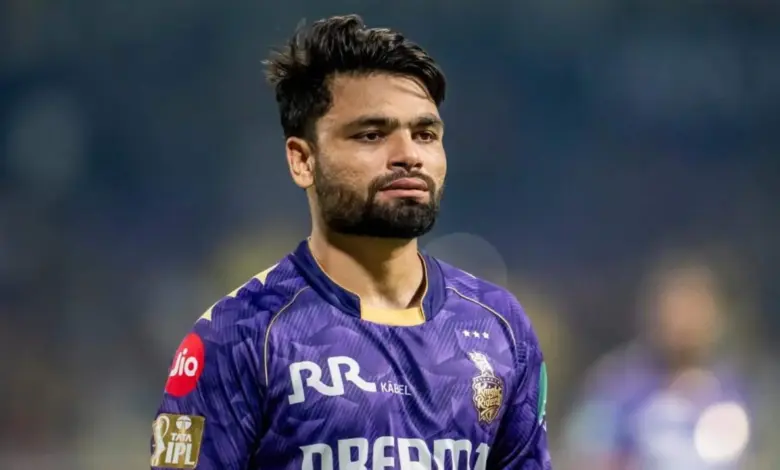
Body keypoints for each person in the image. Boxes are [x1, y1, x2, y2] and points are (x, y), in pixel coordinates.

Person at [151, 14, 551, 470]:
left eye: (425, 134)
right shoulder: (240, 334)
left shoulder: (500, 326)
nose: (408, 155)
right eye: (371, 135)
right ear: (302, 160)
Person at [561, 257, 752, 470]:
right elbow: (586, 453)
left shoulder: (734, 390)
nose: (684, 322)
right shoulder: (619, 385)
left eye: (694, 308)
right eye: (676, 308)